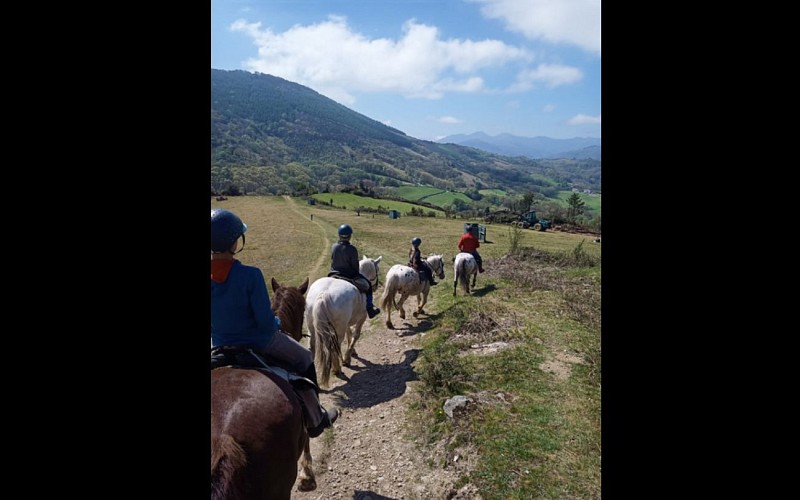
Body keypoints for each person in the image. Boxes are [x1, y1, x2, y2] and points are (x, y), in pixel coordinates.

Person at [210, 208, 337, 438]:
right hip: (259, 342)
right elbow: (264, 322)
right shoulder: (251, 275)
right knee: (305, 358)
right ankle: (316, 418)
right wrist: (277, 320)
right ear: (234, 243)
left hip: (218, 344)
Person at [330, 224, 381, 318]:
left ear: (339, 235)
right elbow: (355, 267)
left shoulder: (334, 246)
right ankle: (370, 309)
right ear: (350, 236)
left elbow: (333, 260)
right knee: (368, 285)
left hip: (333, 273)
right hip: (349, 275)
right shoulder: (352, 249)